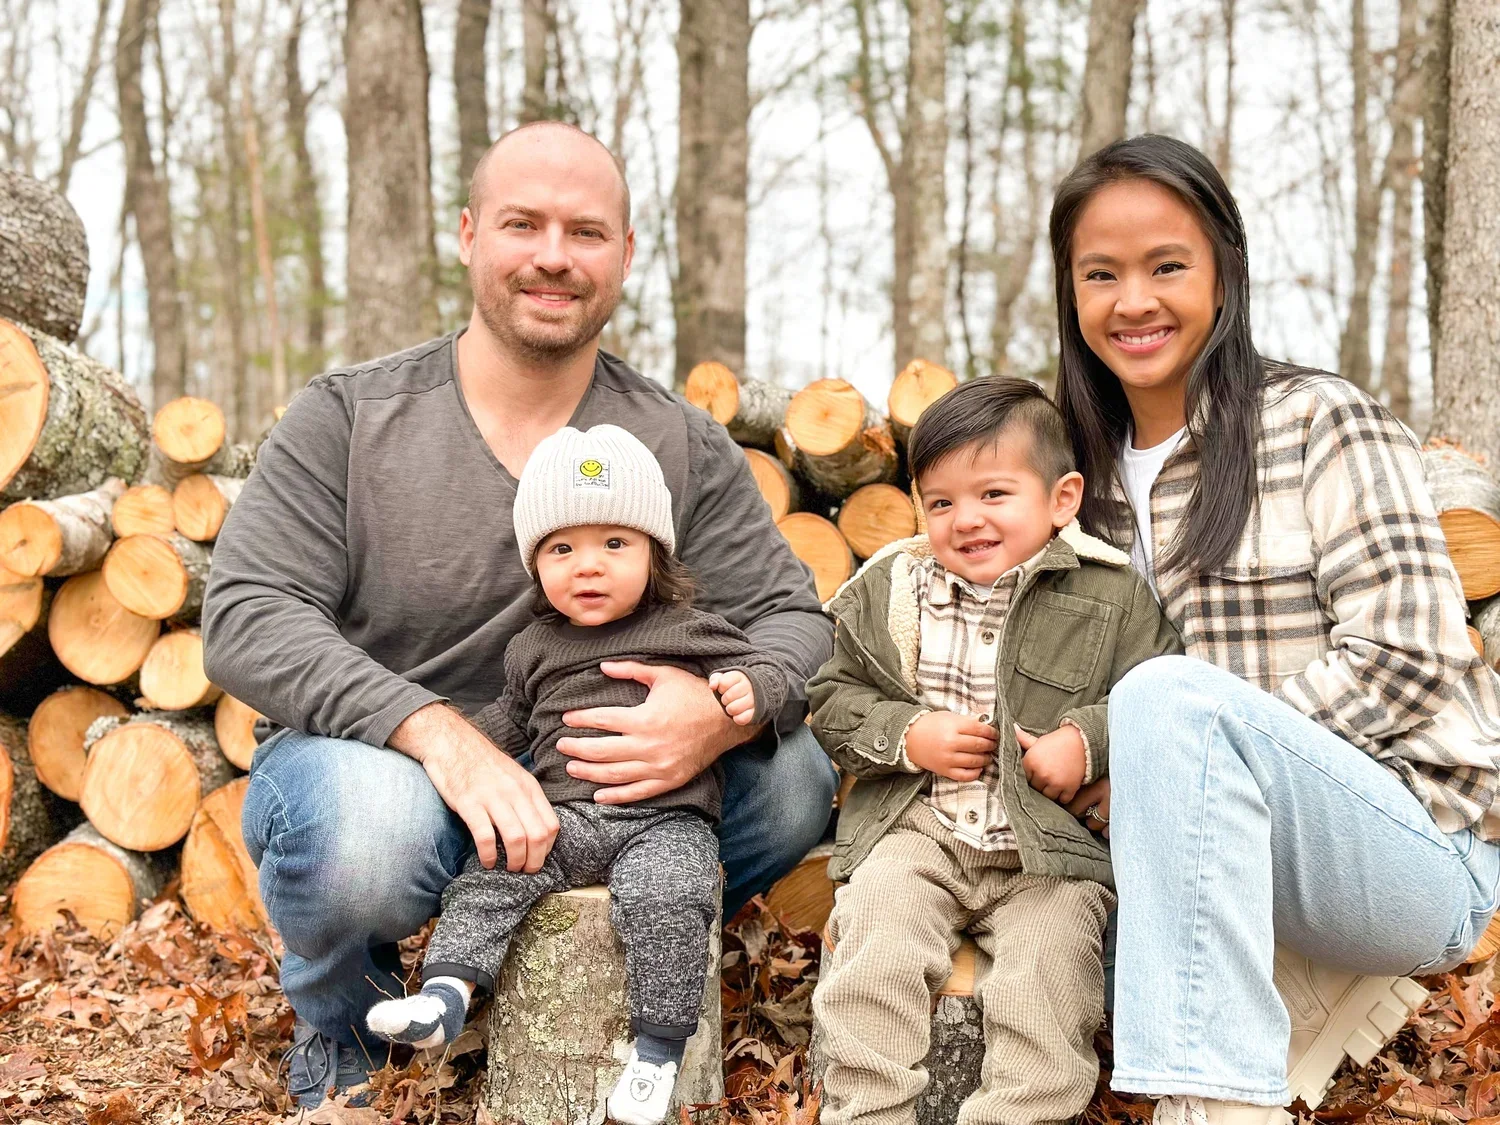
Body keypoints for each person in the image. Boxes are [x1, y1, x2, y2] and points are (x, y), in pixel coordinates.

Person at [201, 122, 837, 1110]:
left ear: (625, 254)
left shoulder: (678, 441)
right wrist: (437, 734)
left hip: (604, 798)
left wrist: (721, 715)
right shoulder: (349, 418)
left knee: (794, 778)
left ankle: (588, 960)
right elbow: (247, 612)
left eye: (585, 232)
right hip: (395, 780)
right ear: (468, 235)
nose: (553, 255)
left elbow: (795, 621)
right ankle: (351, 1032)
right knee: (366, 835)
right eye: (522, 224)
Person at [1048, 134, 1500, 1125]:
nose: (1134, 301)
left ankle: (1215, 1109)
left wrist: (1188, 754)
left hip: (1416, 850)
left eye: (1168, 266)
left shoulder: (1317, 421)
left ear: (1224, 272)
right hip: (1183, 857)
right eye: (1101, 274)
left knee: (1167, 699)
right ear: (1070, 291)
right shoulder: (1067, 477)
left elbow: (1410, 653)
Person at [366, 424, 784, 1124]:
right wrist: (451, 750)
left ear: (654, 554)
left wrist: (751, 691)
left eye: (614, 544)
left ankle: (656, 1056)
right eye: (563, 549)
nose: (588, 566)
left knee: (670, 896)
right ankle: (444, 995)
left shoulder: (688, 629)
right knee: (493, 871)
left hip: (665, 821)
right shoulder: (532, 646)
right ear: (536, 564)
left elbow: (766, 667)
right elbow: (510, 718)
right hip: (566, 820)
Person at [807, 378, 1181, 1125]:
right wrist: (908, 734)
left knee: (1050, 979)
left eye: (994, 494)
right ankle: (869, 1110)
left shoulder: (1112, 595)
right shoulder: (892, 591)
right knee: (874, 942)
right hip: (918, 831)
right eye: (941, 501)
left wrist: (1087, 741)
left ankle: (1020, 1114)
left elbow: (1161, 695)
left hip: (1048, 855)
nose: (966, 519)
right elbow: (832, 699)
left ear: (1062, 499)